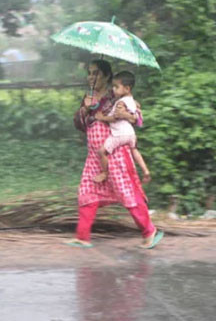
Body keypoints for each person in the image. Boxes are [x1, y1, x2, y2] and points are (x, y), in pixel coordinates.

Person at [66, 59, 163, 250]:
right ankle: (82, 237)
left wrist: (130, 112)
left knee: (127, 193)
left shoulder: (116, 96)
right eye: (90, 73)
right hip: (95, 155)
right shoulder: (88, 96)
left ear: (107, 76)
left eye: (97, 74)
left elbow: (136, 116)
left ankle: (149, 231)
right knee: (87, 191)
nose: (92, 77)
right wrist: (85, 108)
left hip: (114, 152)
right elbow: (79, 125)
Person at [92, 70, 150, 184]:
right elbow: (135, 115)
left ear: (127, 89)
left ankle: (104, 173)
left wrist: (102, 118)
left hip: (120, 134)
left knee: (102, 152)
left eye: (116, 87)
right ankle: (145, 170)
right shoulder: (133, 101)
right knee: (134, 150)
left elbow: (115, 117)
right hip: (131, 134)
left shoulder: (120, 103)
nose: (113, 89)